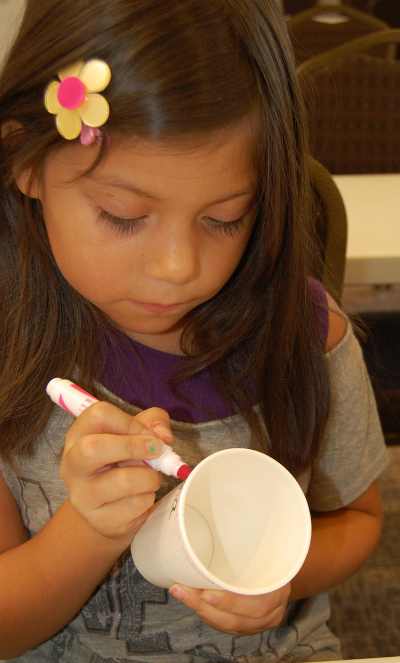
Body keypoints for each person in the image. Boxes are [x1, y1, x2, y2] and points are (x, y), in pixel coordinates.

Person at [0, 1, 388, 661]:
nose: (179, 268)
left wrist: (282, 579)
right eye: (123, 215)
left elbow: (361, 519)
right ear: (26, 164)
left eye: (225, 218)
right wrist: (89, 530)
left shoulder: (307, 336)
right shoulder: (11, 352)